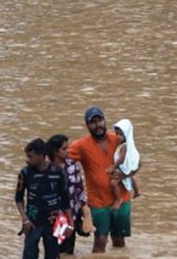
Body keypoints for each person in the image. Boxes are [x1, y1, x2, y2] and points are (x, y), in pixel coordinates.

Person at [69, 106, 134, 254]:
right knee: (100, 241)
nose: (98, 125)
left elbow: (135, 161)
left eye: (100, 120)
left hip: (122, 199)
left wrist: (125, 175)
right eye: (93, 122)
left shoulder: (117, 139)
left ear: (105, 121)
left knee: (119, 240)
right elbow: (60, 156)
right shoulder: (81, 146)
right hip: (98, 202)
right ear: (87, 125)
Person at [15, 138, 71, 259]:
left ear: (41, 156)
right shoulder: (25, 173)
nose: (27, 160)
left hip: (53, 223)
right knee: (29, 255)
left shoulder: (58, 172)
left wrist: (70, 224)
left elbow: (66, 200)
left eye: (31, 156)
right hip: (32, 223)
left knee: (54, 254)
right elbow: (18, 199)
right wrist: (25, 219)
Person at [45, 134, 91, 256]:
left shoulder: (73, 165)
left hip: (73, 215)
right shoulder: (46, 168)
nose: (68, 151)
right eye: (64, 149)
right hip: (54, 217)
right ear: (55, 152)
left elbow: (79, 188)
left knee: (68, 250)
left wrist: (85, 212)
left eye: (68, 147)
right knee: (55, 249)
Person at [112, 119, 141, 203]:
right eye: (116, 134)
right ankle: (137, 191)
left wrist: (113, 167)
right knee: (131, 176)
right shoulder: (128, 145)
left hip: (122, 167)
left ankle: (118, 199)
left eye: (121, 134)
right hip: (127, 167)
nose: (117, 136)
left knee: (113, 183)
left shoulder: (124, 146)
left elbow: (121, 159)